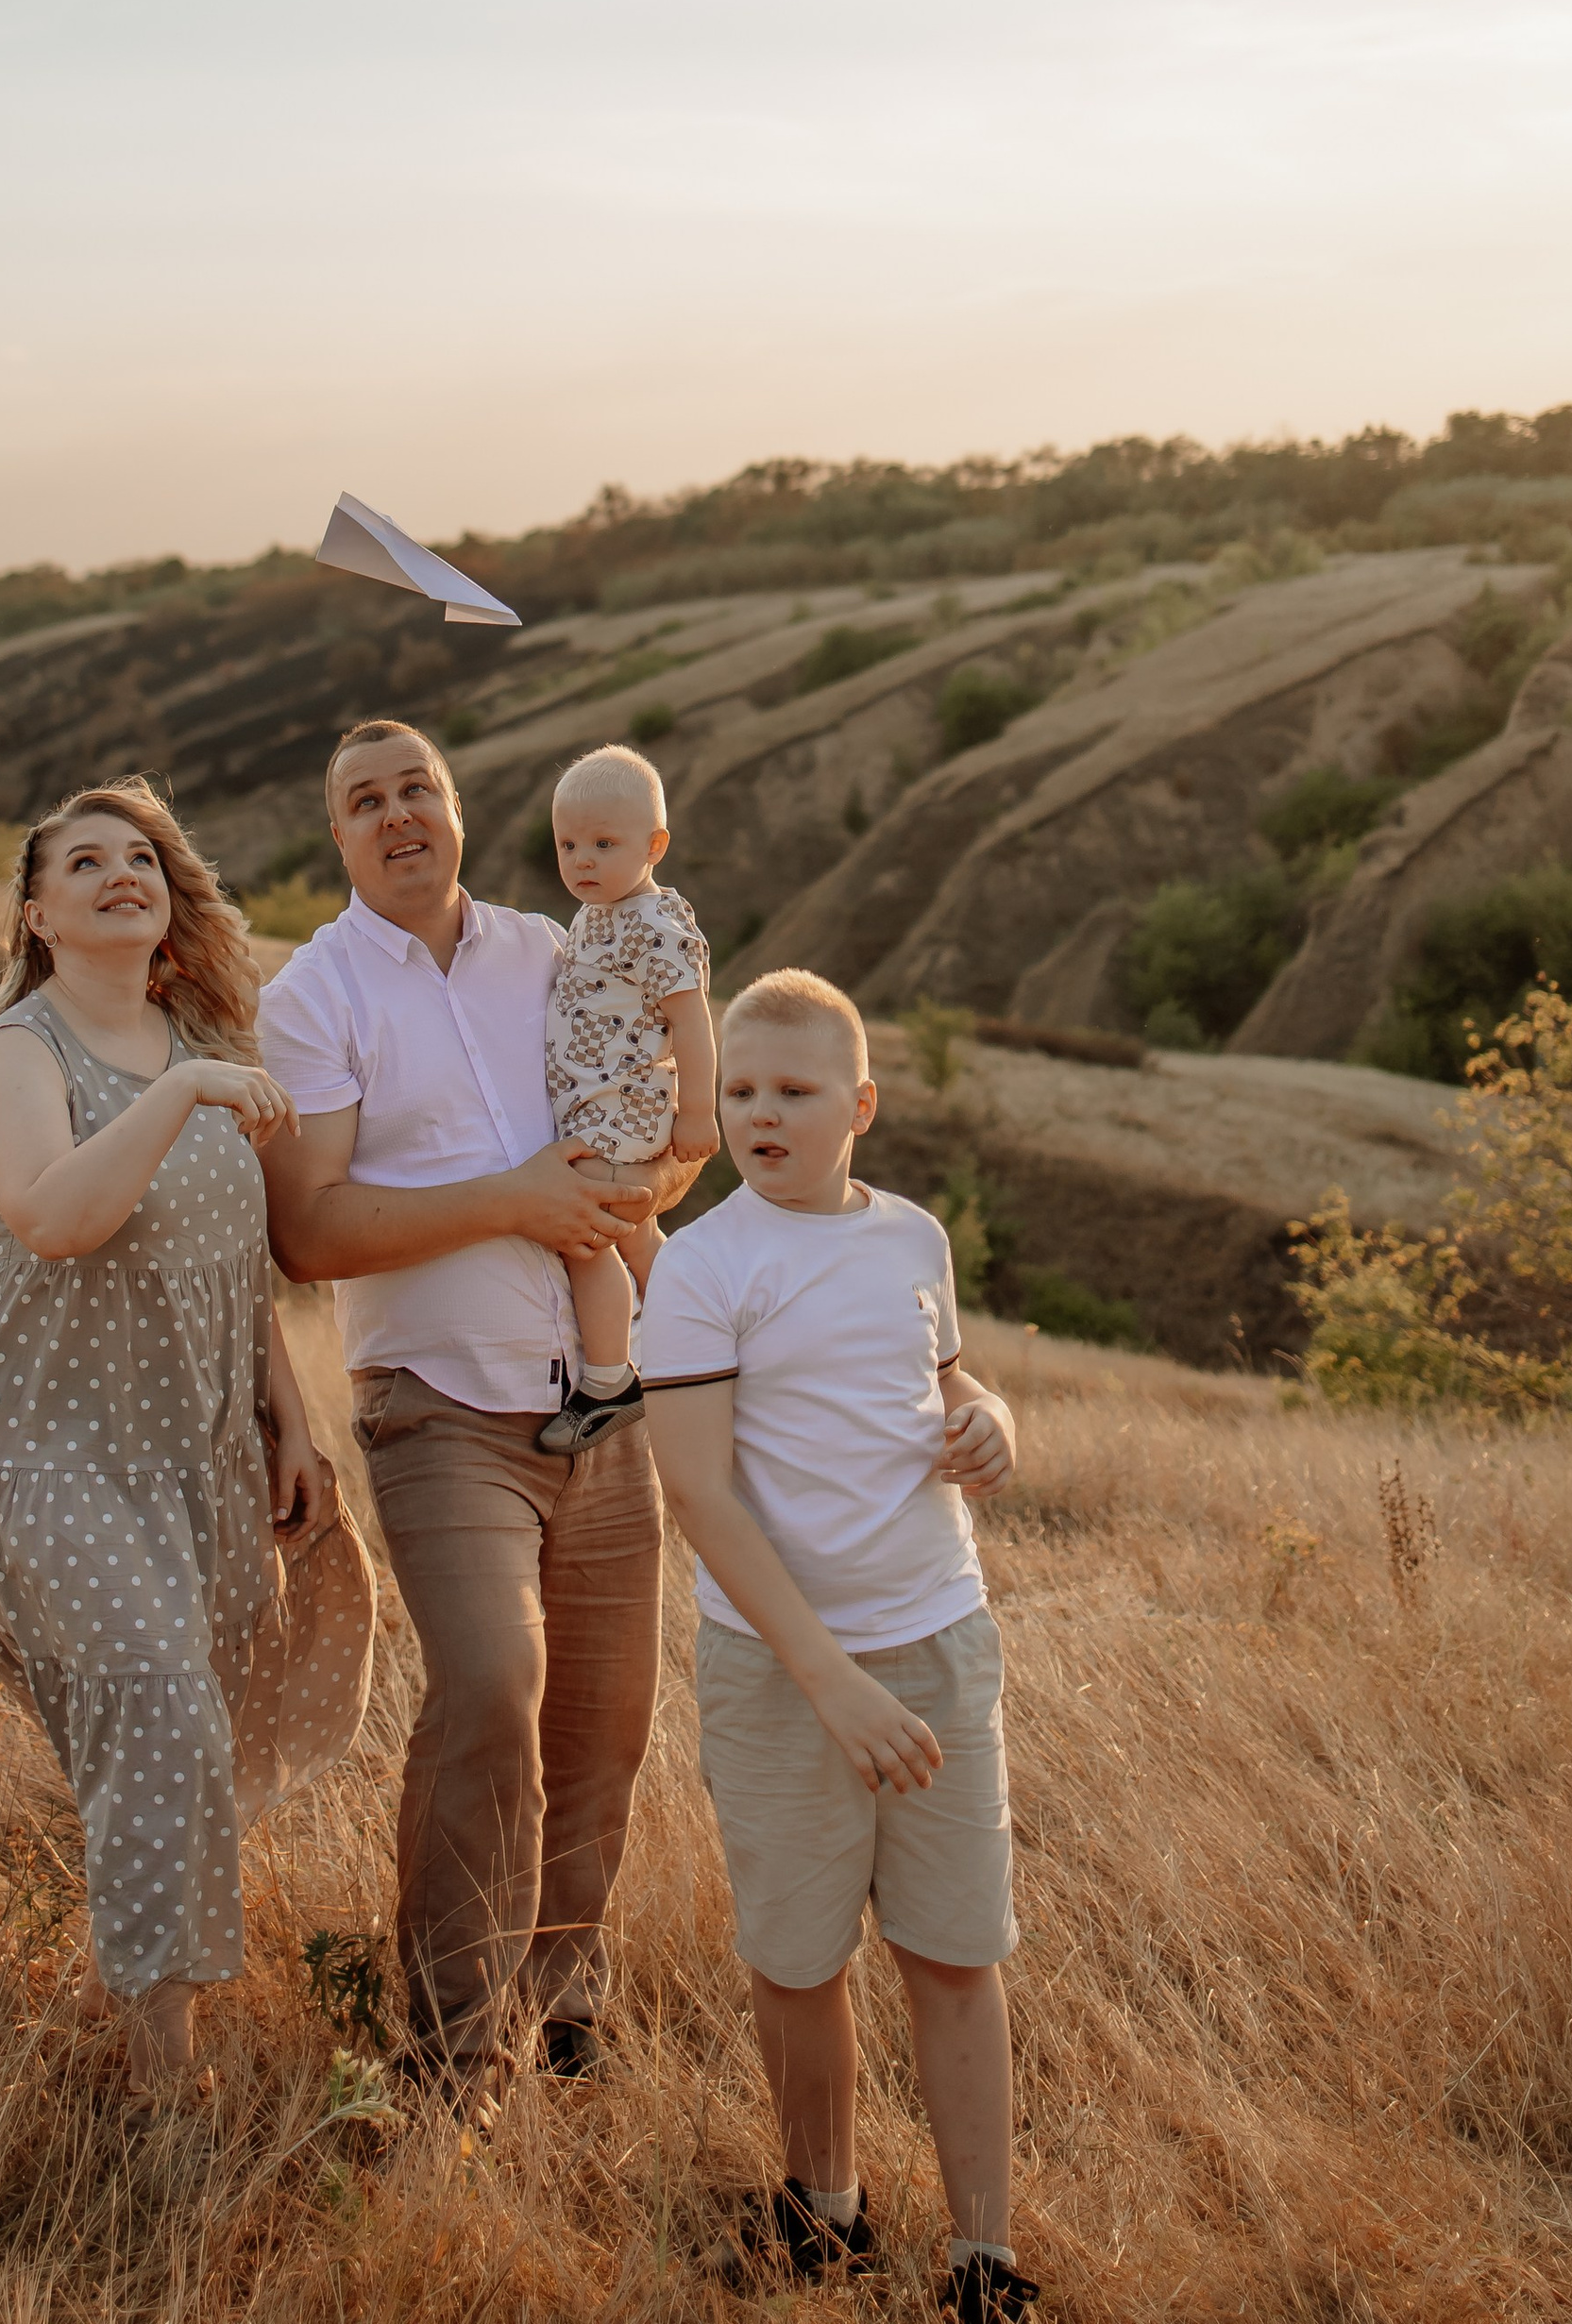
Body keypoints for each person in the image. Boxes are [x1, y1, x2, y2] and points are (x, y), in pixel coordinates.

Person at [258, 717, 703, 2095]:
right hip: (437, 1409)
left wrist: (651, 1178)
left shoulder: (552, 948)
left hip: (598, 1396)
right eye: (364, 801)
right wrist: (516, 1198)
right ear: (337, 835)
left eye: (419, 790)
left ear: (456, 809)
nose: (397, 816)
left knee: (603, 1718)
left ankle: (565, 2004)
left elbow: (643, 1131)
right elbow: (311, 1231)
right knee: (494, 1687)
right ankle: (453, 2048)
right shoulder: (315, 994)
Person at [0, 779, 374, 2098]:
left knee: (185, 1726)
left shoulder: (195, 1040)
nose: (122, 873)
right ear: (38, 913)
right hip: (37, 1447)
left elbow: (234, 1263)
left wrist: (287, 1418)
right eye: (86, 862)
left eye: (143, 859)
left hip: (193, 1450)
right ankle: (163, 2080)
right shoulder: (19, 1052)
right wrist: (180, 1104)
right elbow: (57, 1216)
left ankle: (144, 1981)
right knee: (163, 1709)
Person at [642, 969, 1035, 2319]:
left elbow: (941, 1377)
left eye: (795, 1092)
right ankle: (826, 2213)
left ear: (857, 1105)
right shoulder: (699, 1267)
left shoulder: (912, 1240)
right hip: (782, 1672)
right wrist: (828, 1681)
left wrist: (989, 1415)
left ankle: (984, 2258)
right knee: (800, 1958)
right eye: (740, 1091)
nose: (762, 1113)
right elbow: (698, 1492)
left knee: (954, 1952)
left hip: (937, 1637)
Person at [537, 740, 718, 1454]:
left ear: (654, 845)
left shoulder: (656, 927)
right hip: (598, 1110)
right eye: (568, 844)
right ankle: (701, 1344)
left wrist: (697, 1112)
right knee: (636, 1240)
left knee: (587, 1240)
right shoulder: (597, 914)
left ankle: (609, 1381)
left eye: (604, 844)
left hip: (622, 1117)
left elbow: (694, 1023)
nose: (582, 860)